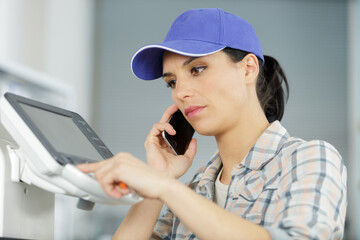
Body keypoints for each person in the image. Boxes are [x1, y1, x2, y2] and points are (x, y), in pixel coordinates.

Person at [78, 8, 347, 239]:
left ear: (248, 68)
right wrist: (158, 179)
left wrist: (165, 188)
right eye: (172, 82)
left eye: (197, 69)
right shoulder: (193, 191)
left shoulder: (310, 159)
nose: (180, 92)